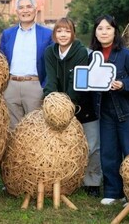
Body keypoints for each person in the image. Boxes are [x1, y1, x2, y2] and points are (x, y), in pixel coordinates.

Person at [89, 15, 129, 205]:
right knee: (109, 153)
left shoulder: (125, 55)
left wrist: (123, 84)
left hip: (128, 111)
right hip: (106, 112)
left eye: (108, 28)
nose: (104, 32)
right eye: (100, 28)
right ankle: (113, 192)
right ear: (95, 32)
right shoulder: (93, 56)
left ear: (115, 31)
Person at [43, 17, 102, 198]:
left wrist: (67, 105)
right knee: (63, 145)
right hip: (59, 107)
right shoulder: (49, 52)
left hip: (82, 104)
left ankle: (92, 182)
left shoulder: (81, 52)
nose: (63, 35)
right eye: (59, 31)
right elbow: (51, 79)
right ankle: (66, 179)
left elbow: (76, 82)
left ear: (73, 34)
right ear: (55, 34)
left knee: (91, 145)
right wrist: (50, 101)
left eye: (67, 31)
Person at [0, 0, 53, 130]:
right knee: (12, 129)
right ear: (16, 11)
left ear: (35, 9)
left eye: (29, 7)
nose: (25, 10)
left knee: (35, 129)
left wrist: (44, 87)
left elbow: (52, 64)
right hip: (11, 87)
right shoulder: (8, 34)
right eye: (21, 7)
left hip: (35, 86)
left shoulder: (47, 34)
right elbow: (1, 60)